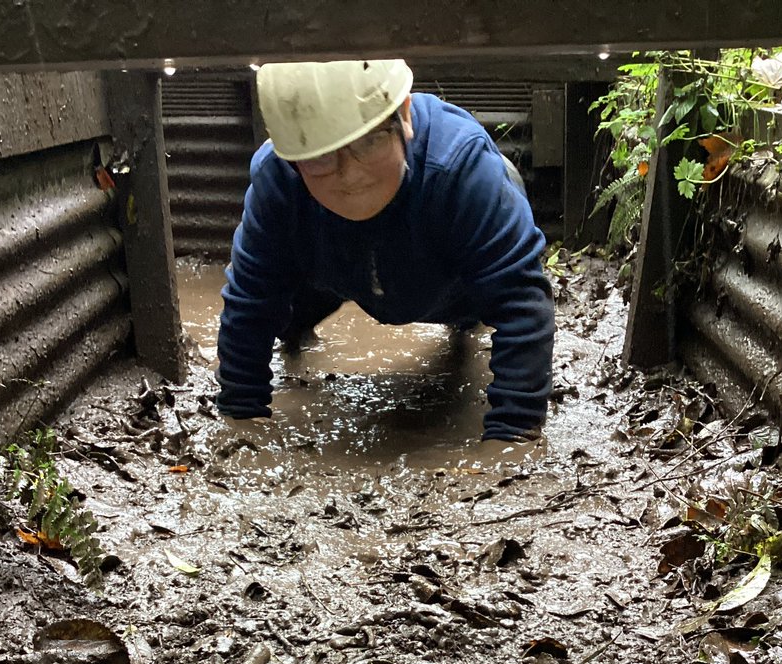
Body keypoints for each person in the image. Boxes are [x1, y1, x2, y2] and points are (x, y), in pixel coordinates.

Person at [214, 59, 554, 445]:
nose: (349, 174)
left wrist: (511, 437)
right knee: (287, 308)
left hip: (452, 271)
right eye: (321, 155)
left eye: (368, 140)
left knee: (468, 323)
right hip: (334, 264)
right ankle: (298, 332)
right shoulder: (277, 182)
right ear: (291, 158)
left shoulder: (462, 169)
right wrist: (241, 420)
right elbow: (249, 303)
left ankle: (461, 327)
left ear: (403, 116)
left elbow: (522, 305)